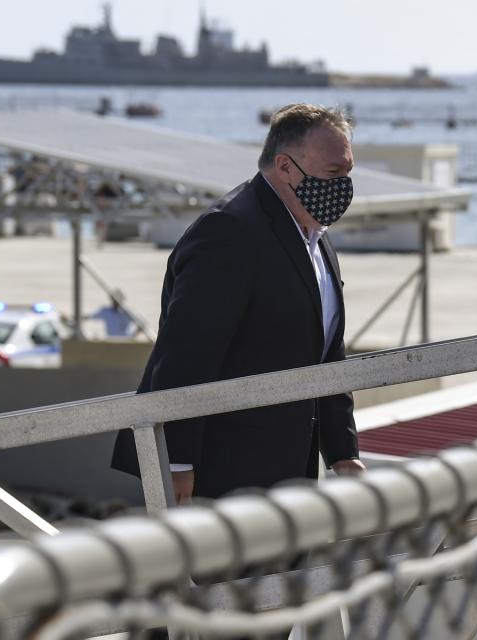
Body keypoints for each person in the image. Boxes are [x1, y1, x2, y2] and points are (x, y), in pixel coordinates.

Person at [112, 104, 365, 502]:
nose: (344, 186)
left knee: (288, 567)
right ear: (285, 167)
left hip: (289, 473)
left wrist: (342, 451)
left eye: (348, 173)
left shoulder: (315, 237)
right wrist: (176, 465)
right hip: (221, 474)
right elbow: (186, 355)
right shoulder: (229, 230)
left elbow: (326, 352)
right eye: (334, 174)